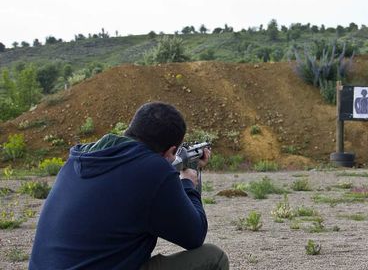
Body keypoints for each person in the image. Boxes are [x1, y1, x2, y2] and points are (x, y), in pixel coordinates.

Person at [30, 102, 229, 270]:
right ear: (171, 151)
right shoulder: (154, 171)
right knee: (214, 258)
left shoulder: (80, 158)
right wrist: (188, 182)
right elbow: (194, 235)